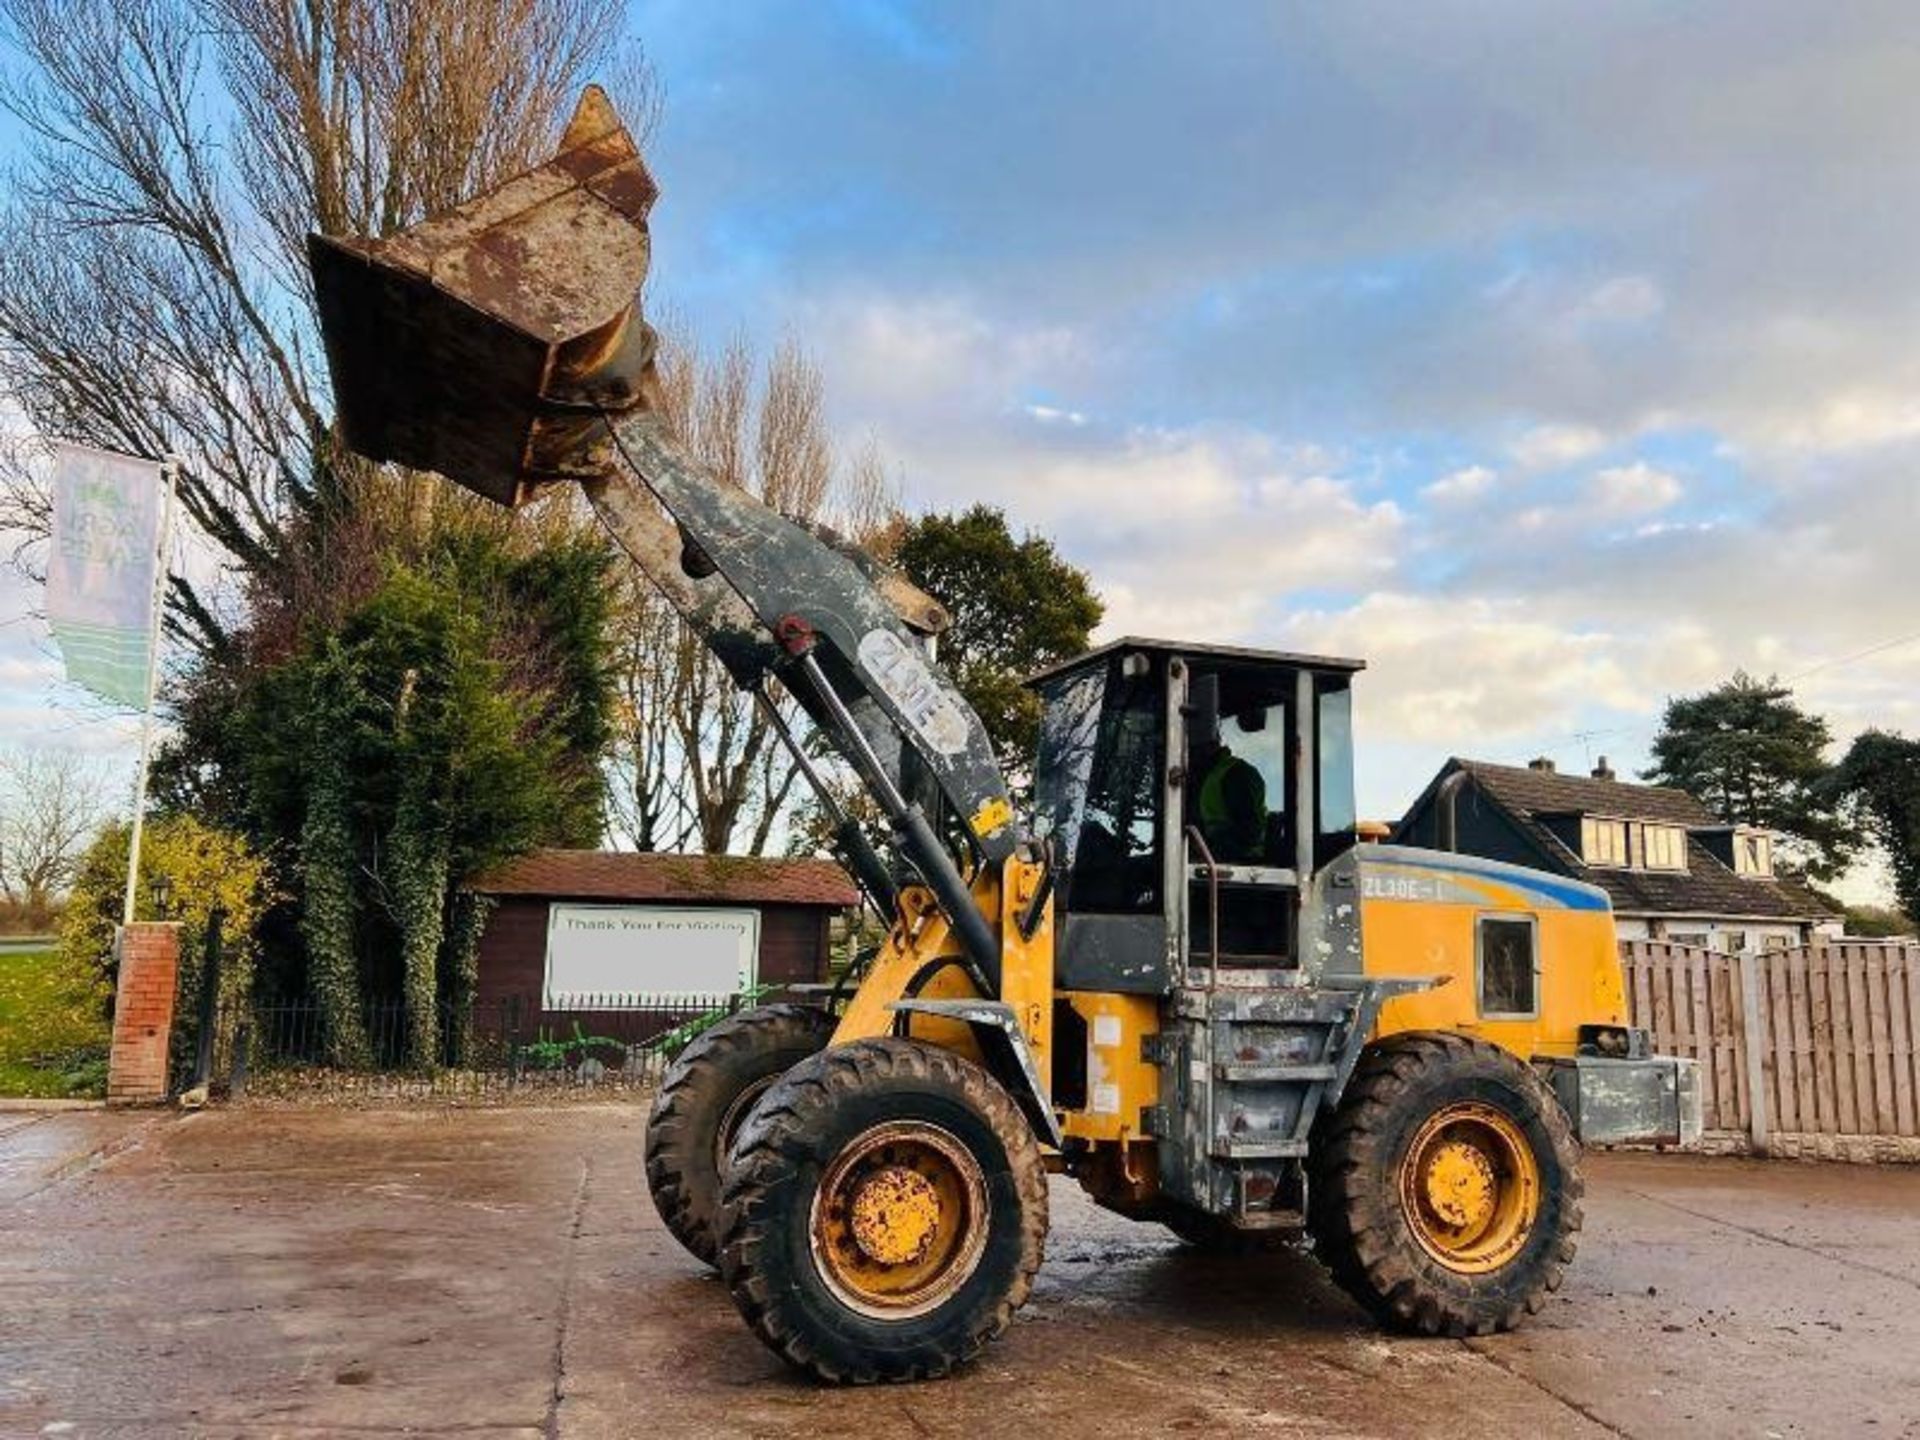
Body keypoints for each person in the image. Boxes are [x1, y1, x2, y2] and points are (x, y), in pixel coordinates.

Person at [1193, 721, 1269, 863]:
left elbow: (1249, 833)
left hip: (1241, 865)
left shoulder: (1236, 774)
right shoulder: (1206, 776)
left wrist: (1209, 846)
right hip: (1213, 859)